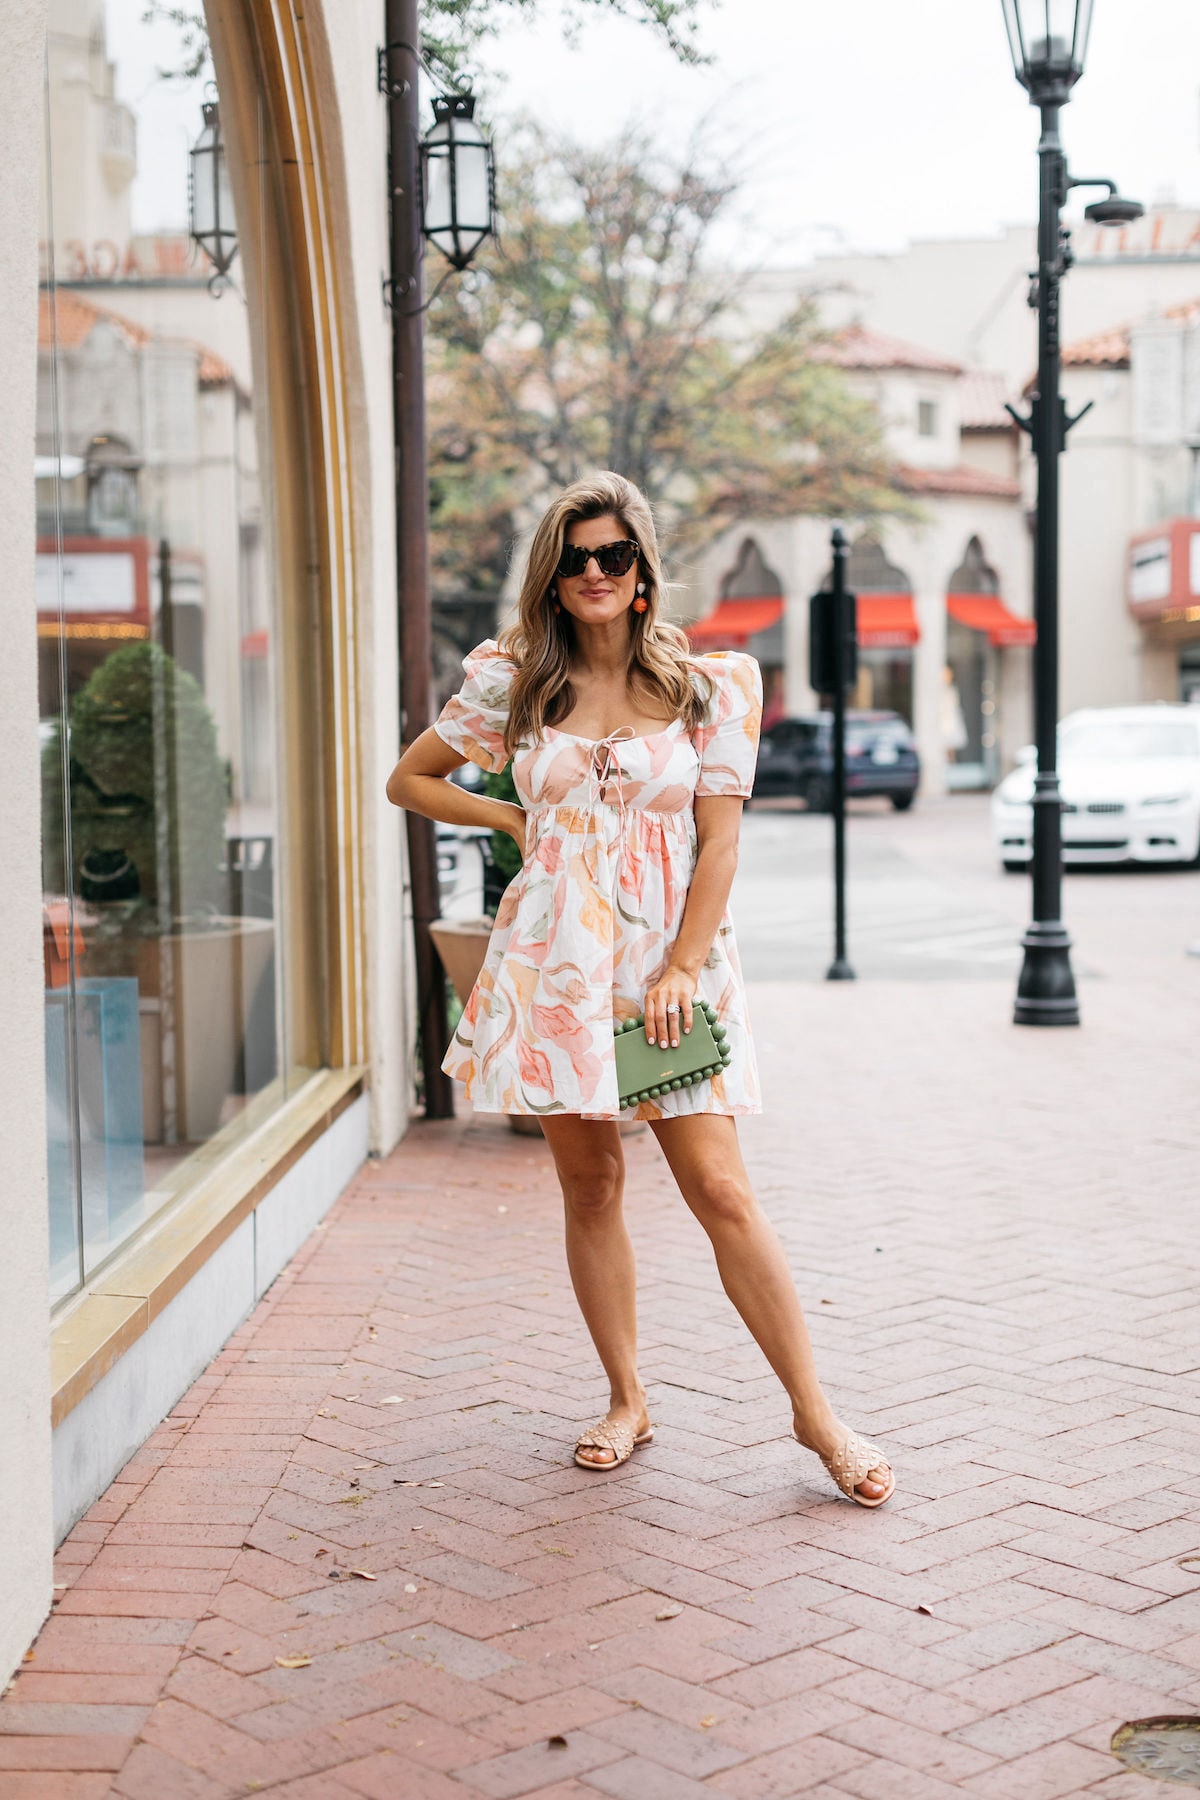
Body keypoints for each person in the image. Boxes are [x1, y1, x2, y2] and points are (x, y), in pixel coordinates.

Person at [387, 472, 893, 1507]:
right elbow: (410, 780)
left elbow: (719, 845)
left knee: (719, 1190)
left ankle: (815, 1414)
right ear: (552, 576)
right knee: (592, 1184)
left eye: (613, 555)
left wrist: (678, 967)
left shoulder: (711, 688)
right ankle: (626, 1397)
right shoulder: (513, 684)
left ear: (642, 570)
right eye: (574, 559)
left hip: (669, 964)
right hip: (555, 960)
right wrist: (510, 821)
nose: (593, 573)